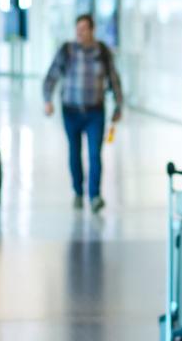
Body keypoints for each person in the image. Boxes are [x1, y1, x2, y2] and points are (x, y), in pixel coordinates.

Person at [42, 14, 123, 213]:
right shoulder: (67, 50)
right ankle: (78, 191)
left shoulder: (102, 52)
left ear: (92, 30)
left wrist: (118, 106)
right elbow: (51, 76)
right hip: (70, 111)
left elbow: (114, 79)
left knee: (95, 154)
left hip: (95, 112)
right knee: (74, 152)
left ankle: (95, 195)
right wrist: (47, 100)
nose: (80, 32)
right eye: (77, 29)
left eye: (84, 29)